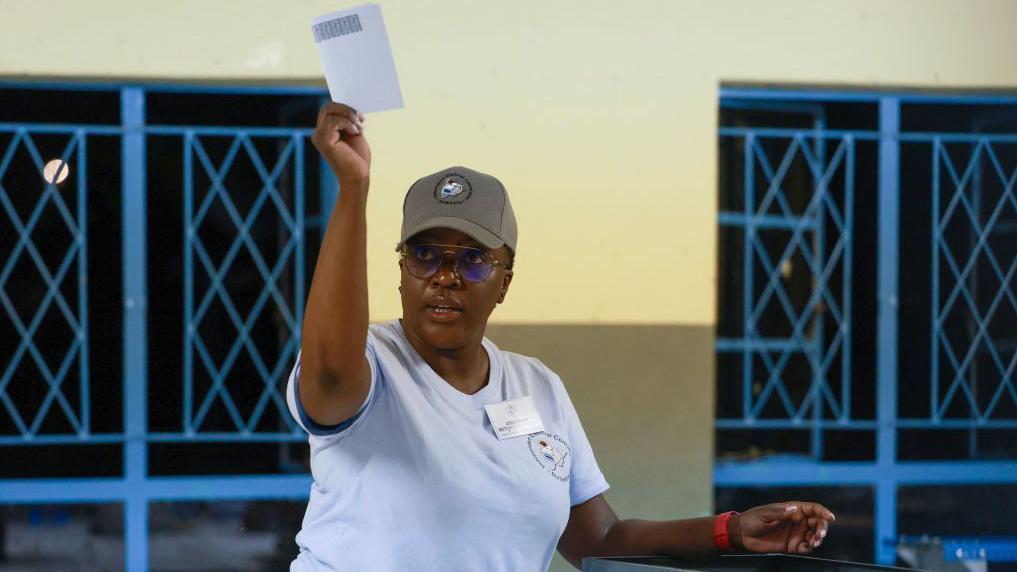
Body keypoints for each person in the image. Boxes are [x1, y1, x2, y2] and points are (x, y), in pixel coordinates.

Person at [286, 102, 835, 571]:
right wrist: (354, 189)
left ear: (505, 282)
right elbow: (330, 372)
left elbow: (599, 541)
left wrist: (732, 530)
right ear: (402, 268)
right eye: (425, 255)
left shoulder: (537, 387)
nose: (446, 277)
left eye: (473, 260)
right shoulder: (370, 368)